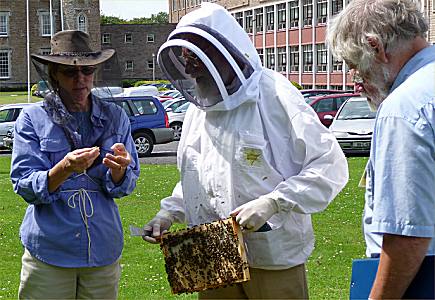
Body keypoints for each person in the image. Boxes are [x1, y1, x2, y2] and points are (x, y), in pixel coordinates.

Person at [143, 3, 348, 299]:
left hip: (272, 256)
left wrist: (274, 203)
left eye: (194, 57)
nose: (188, 69)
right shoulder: (199, 109)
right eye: (185, 58)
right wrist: (169, 212)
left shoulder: (274, 94)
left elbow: (328, 166)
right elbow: (197, 175)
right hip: (213, 252)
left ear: (222, 51)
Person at [11, 30, 140, 299]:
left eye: (88, 71)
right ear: (54, 74)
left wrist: (119, 171)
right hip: (49, 252)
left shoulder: (115, 117)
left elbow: (125, 185)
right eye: (71, 73)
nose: (81, 79)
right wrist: (65, 168)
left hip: (103, 250)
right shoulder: (32, 118)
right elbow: (24, 184)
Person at [327, 0, 435, 298]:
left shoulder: (404, 106)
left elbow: (407, 234)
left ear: (375, 47)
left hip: (422, 276)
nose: (355, 79)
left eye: (353, 64)